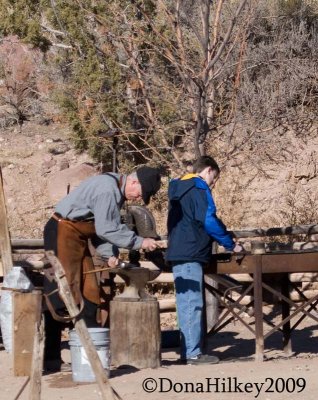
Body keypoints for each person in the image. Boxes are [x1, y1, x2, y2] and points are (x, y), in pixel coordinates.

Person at [43, 166, 161, 371]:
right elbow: (108, 228)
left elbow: (99, 229)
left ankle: (90, 356)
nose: (137, 198)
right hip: (60, 232)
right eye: (140, 193)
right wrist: (139, 242)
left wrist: (109, 256)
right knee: (61, 293)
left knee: (89, 292)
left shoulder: (115, 189)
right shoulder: (108, 189)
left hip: (76, 237)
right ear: (134, 182)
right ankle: (50, 358)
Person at [166, 156, 243, 365]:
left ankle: (189, 350)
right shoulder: (198, 188)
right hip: (191, 251)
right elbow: (208, 219)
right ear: (208, 170)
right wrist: (230, 243)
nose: (213, 183)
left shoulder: (178, 187)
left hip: (179, 250)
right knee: (192, 303)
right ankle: (193, 353)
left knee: (186, 303)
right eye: (214, 178)